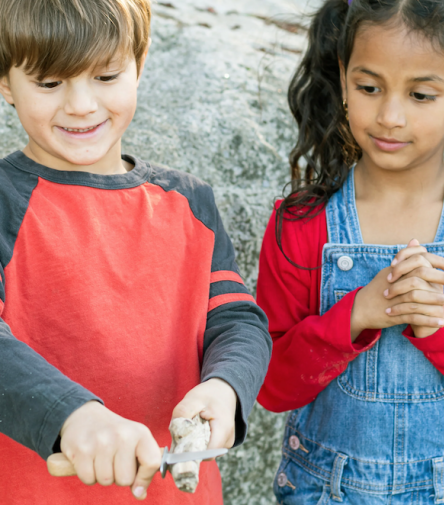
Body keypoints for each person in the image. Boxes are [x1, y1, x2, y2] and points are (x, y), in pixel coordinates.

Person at [0, 0, 271, 504]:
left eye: (105, 76)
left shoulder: (191, 204)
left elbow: (237, 320)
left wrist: (226, 388)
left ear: (140, 64)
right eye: (50, 83)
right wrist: (71, 415)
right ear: (4, 80)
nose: (81, 104)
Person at [257, 0, 444, 503]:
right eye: (369, 88)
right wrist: (355, 315)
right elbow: (272, 385)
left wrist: (441, 329)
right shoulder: (300, 224)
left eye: (420, 95)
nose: (390, 116)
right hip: (324, 489)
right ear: (343, 77)